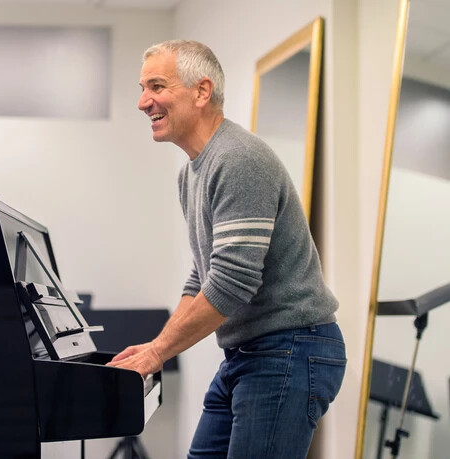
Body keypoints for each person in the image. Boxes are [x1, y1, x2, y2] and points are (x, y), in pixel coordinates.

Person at [107, 40, 346, 458]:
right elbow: (204, 274)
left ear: (201, 92)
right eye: (142, 88)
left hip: (290, 348)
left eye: (156, 87)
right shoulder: (191, 175)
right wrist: (154, 349)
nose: (143, 101)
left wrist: (159, 351)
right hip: (248, 353)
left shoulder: (239, 159)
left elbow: (233, 284)